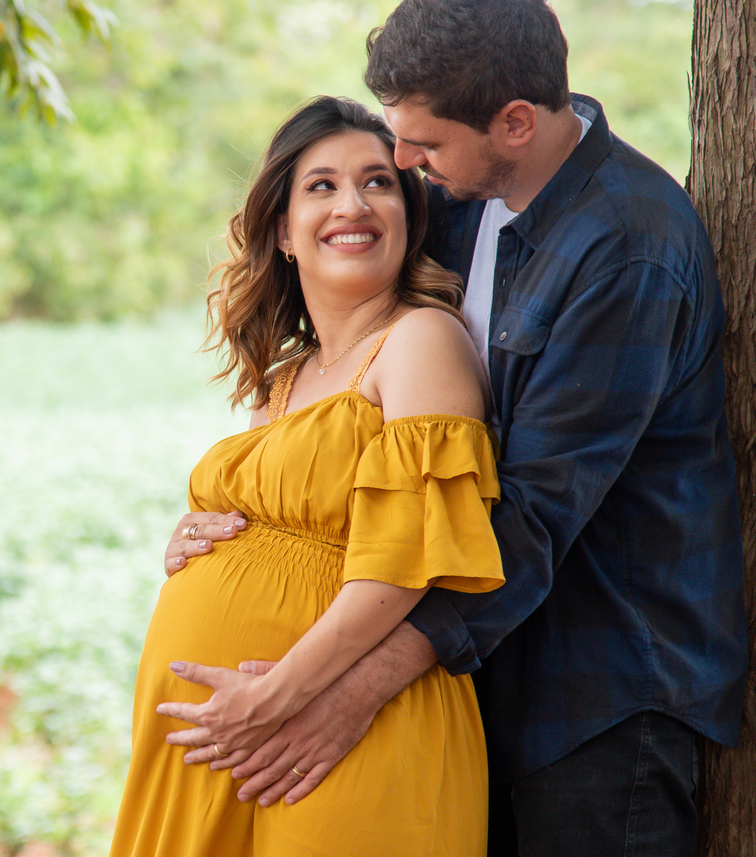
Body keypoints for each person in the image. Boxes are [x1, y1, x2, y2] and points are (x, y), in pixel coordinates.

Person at [160, 1, 748, 856]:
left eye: (422, 147)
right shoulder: (469, 200)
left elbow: (531, 514)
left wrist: (348, 689)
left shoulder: (627, 247)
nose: (402, 166)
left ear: (514, 123)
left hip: (597, 694)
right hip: (476, 680)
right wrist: (236, 530)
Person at [107, 95, 505, 857]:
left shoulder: (420, 341)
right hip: (230, 741)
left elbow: (405, 567)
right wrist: (205, 539)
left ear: (409, 215)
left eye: (378, 182)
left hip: (333, 733)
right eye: (320, 186)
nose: (352, 204)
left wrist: (274, 696)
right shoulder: (282, 382)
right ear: (284, 232)